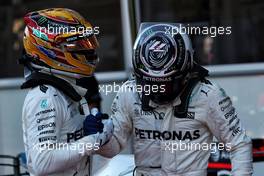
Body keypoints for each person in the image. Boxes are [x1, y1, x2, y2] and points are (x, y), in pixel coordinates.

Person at [91, 23, 253, 175]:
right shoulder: (130, 91)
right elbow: (114, 146)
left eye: (166, 84)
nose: (158, 90)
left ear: (185, 72)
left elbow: (239, 143)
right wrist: (99, 138)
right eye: (151, 84)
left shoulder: (208, 94)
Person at [20, 8, 113, 176]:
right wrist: (92, 141)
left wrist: (85, 132)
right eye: (76, 44)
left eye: (85, 42)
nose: (87, 50)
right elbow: (42, 162)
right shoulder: (44, 97)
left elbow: (66, 148)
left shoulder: (65, 89)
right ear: (48, 48)